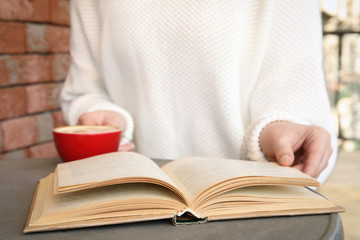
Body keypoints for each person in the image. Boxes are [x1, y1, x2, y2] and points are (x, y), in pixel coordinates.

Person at [61, 0, 337, 183]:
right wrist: (105, 117)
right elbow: (84, 92)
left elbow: (298, 101)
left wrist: (280, 131)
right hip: (129, 204)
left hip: (249, 208)